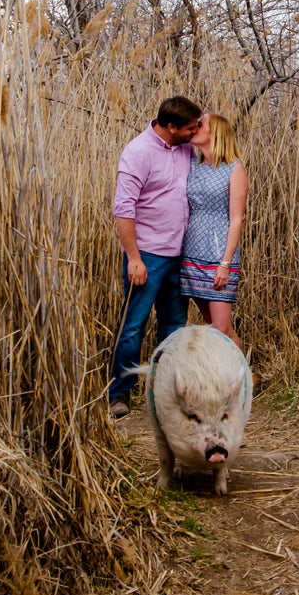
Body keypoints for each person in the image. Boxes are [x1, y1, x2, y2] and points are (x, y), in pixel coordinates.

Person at [108, 95, 202, 418]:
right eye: (190, 128)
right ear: (171, 127)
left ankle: (164, 394)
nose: (195, 132)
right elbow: (123, 210)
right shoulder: (138, 152)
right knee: (134, 325)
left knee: (174, 326)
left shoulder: (187, 148)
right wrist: (133, 258)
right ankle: (119, 394)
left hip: (179, 254)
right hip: (147, 255)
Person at [179, 113, 249, 350]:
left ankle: (244, 380)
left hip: (218, 256)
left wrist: (225, 263)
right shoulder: (192, 164)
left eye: (200, 124)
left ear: (214, 133)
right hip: (191, 254)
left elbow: (237, 218)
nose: (194, 127)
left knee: (222, 329)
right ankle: (221, 381)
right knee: (210, 325)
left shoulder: (234, 168)